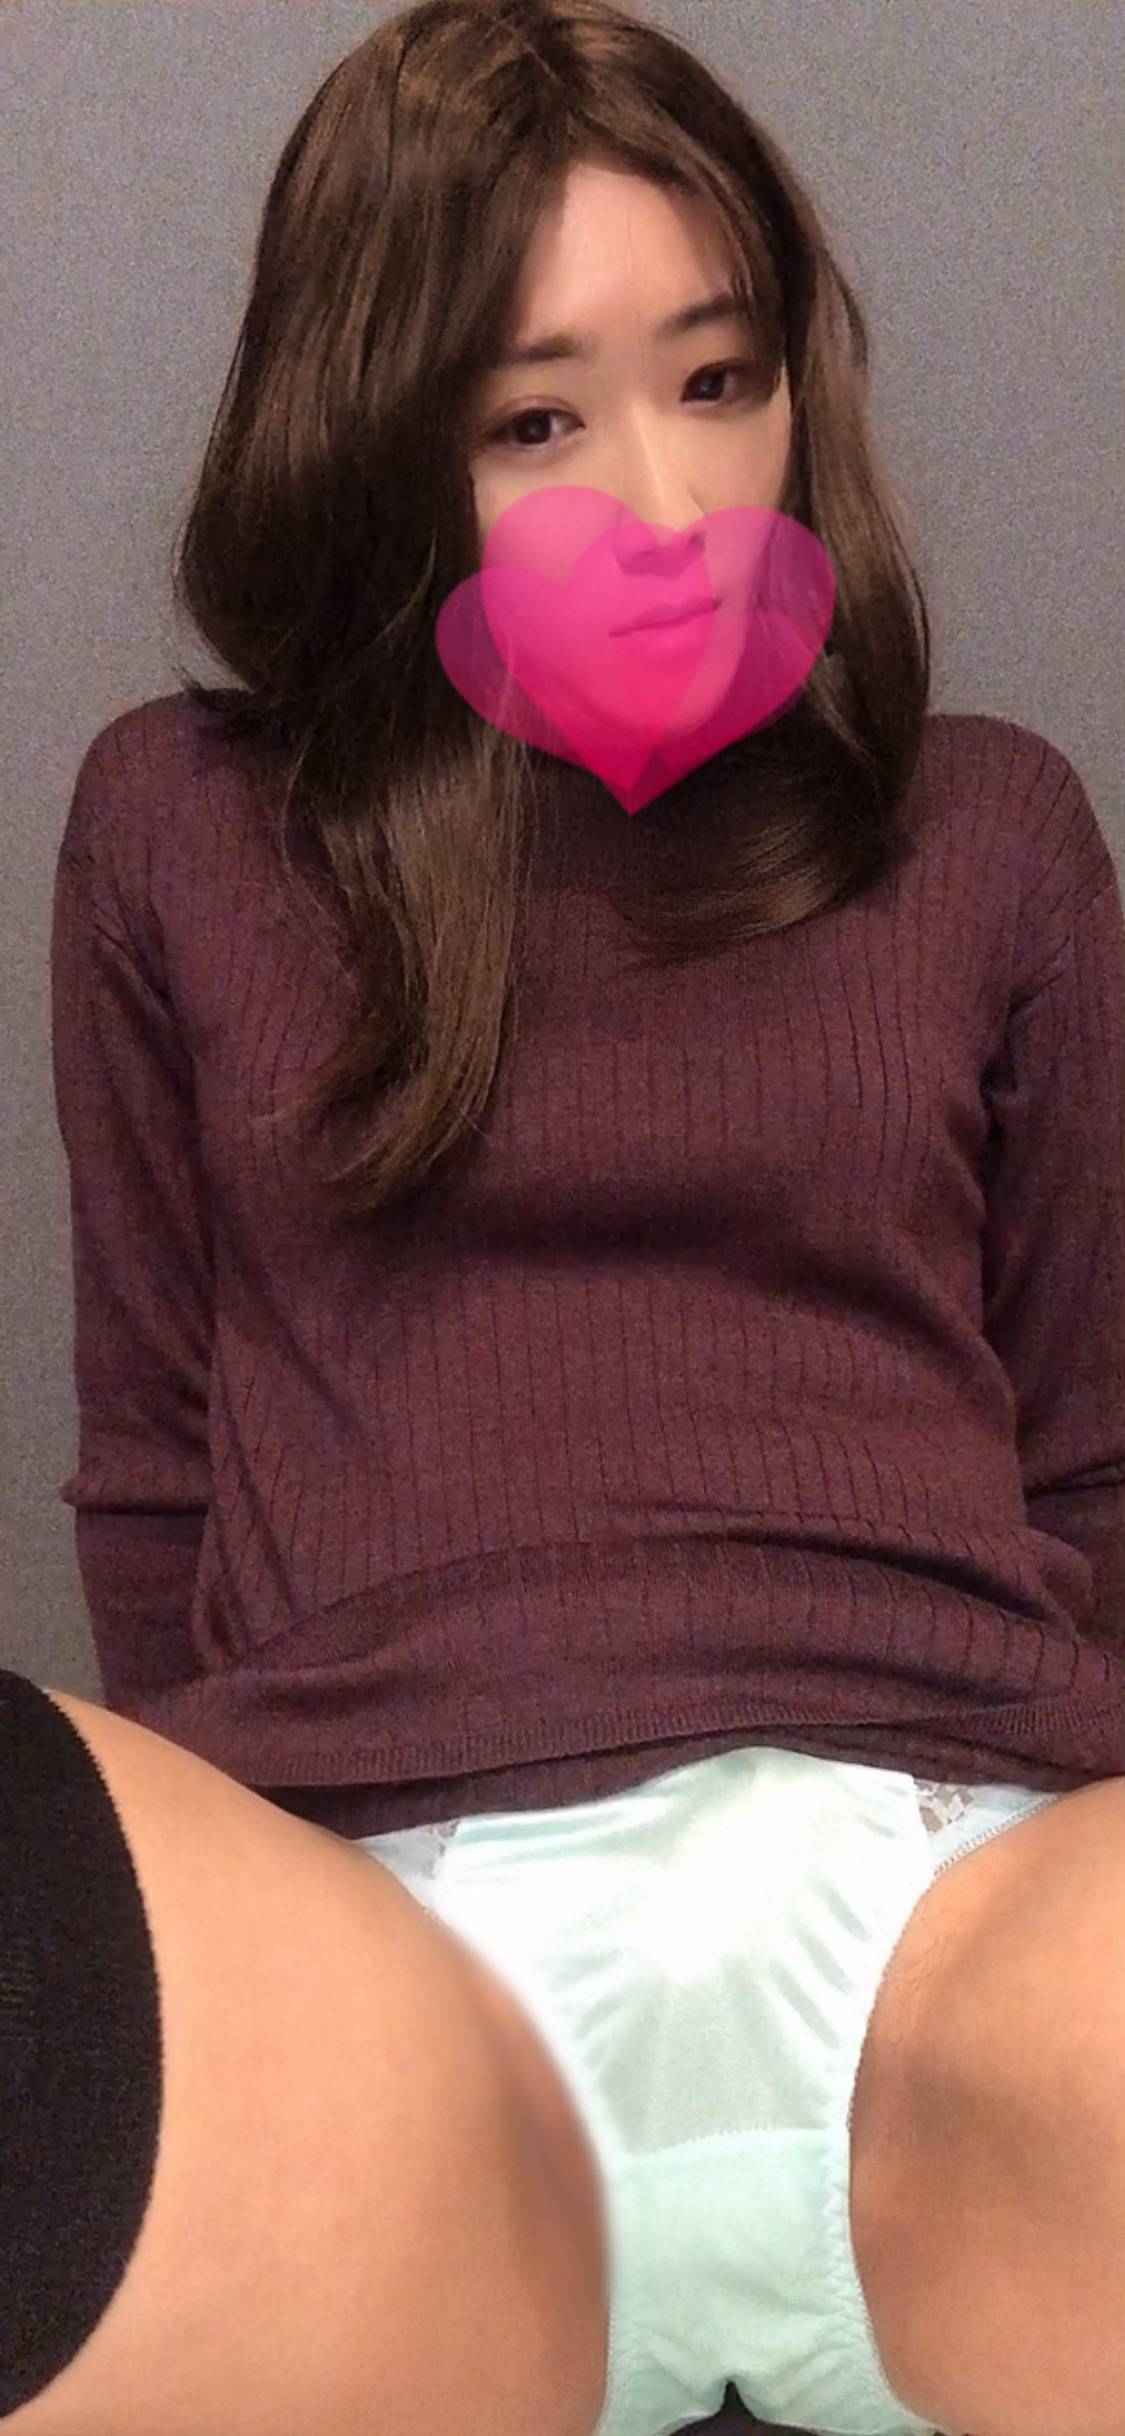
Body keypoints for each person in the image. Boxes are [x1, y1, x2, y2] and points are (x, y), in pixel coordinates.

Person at [12, 3, 1124, 2433]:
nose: (664, 493)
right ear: (379, 437)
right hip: (395, 1966)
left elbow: (1087, 1461)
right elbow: (156, 1467)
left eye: (718, 382)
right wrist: (256, 1900)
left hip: (945, 1877)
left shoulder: (991, 828)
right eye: (536, 421)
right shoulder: (177, 825)